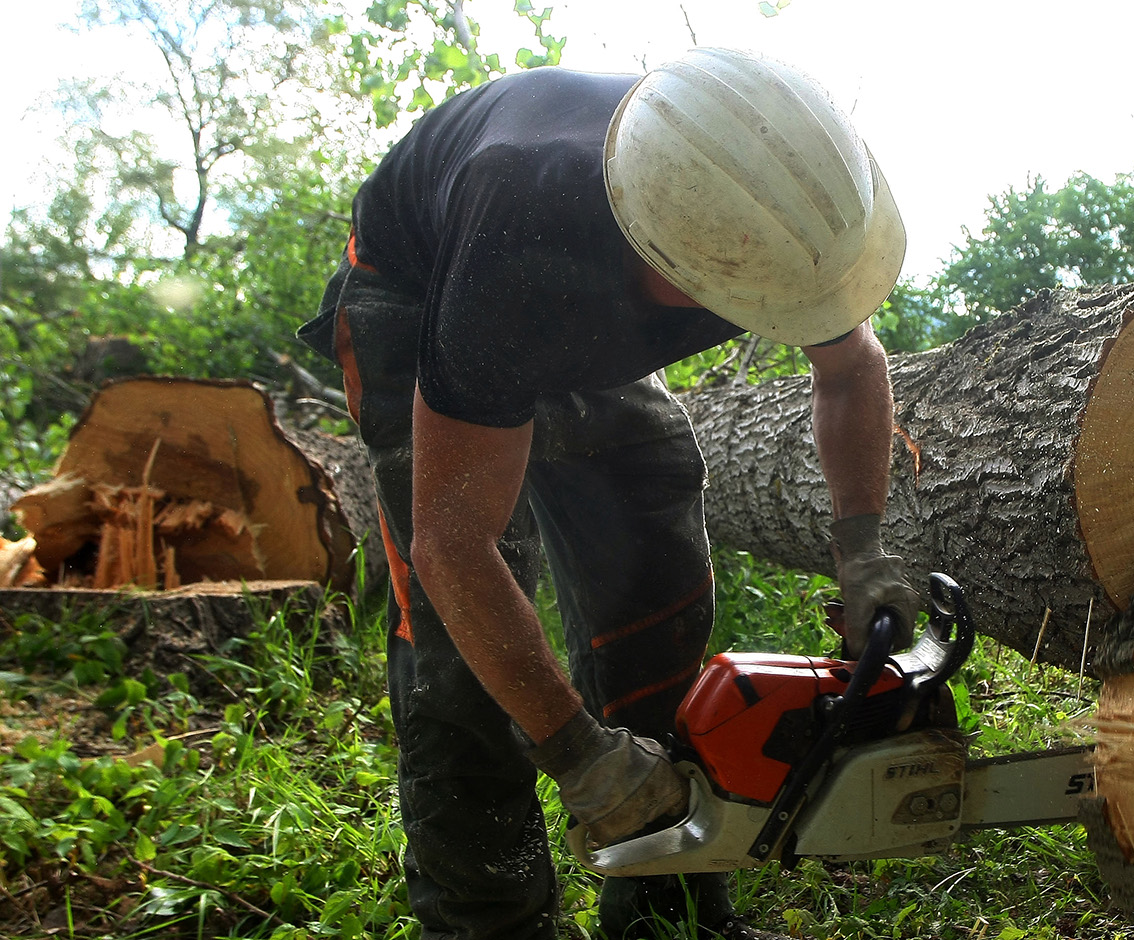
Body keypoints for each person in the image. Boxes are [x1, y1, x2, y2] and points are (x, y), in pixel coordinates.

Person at [298, 47, 920, 940]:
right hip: (422, 287)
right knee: (457, 653)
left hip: (577, 295)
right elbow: (451, 545)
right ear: (654, 240)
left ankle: (667, 907)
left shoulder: (783, 210)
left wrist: (862, 543)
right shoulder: (522, 234)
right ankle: (489, 922)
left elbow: (852, 368)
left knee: (656, 568)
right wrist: (578, 754)